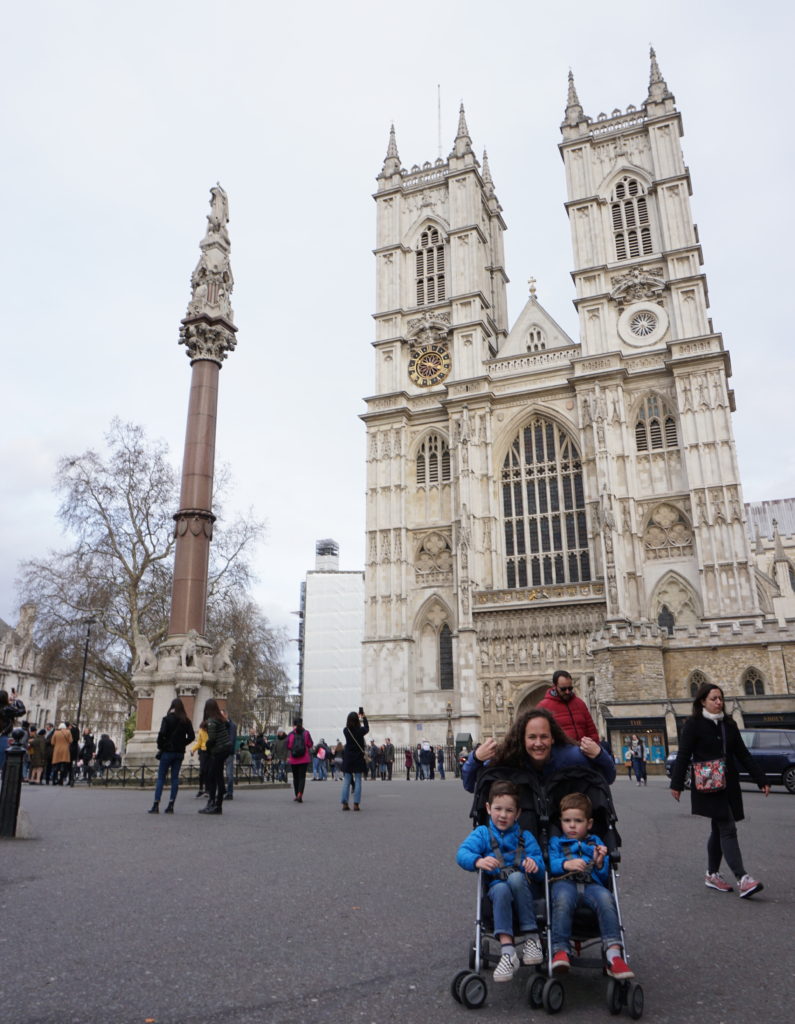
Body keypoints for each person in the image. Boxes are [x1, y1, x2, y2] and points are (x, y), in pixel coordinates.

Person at [670, 682, 769, 897]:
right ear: (702, 701)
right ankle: (743, 878)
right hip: (708, 784)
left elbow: (743, 754)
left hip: (728, 784)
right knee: (727, 827)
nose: (718, 702)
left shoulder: (729, 724)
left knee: (719, 828)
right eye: (714, 698)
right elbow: (684, 755)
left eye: (720, 698)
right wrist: (676, 784)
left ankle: (712, 874)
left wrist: (761, 779)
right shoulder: (693, 725)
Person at [456, 780, 545, 983]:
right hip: (498, 888)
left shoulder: (526, 837)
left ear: (518, 813)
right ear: (488, 808)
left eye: (509, 810)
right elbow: (462, 853)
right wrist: (478, 860)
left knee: (515, 878)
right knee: (502, 889)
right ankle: (508, 951)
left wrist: (535, 865)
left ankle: (532, 937)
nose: (503, 815)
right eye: (498, 809)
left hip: (523, 888)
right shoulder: (482, 834)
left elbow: (540, 867)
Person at [548, 793, 634, 979]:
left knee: (606, 898)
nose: (572, 825)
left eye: (578, 821)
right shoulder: (556, 842)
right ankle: (560, 949)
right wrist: (565, 864)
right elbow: (551, 865)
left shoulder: (596, 843)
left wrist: (600, 862)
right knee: (562, 899)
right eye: (567, 820)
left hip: (591, 884)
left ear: (589, 823)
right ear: (561, 822)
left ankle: (614, 953)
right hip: (565, 882)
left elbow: (602, 877)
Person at [462, 708, 616, 794]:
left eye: (544, 737)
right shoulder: (510, 758)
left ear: (553, 738)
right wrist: (475, 758)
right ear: (522, 739)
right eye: (532, 737)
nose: (538, 743)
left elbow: (607, 778)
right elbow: (471, 786)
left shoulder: (570, 756)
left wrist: (600, 755)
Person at [148, 697, 195, 814]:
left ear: (172, 707)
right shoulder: (186, 721)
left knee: (161, 778)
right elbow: (192, 736)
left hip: (167, 752)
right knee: (174, 778)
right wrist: (182, 744)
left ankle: (156, 804)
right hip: (179, 753)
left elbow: (161, 734)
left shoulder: (167, 719)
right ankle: (171, 804)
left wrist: (161, 746)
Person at [537, 671, 599, 743]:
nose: (567, 692)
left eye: (570, 688)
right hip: (560, 751)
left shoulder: (579, 703)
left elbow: (592, 730)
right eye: (563, 689)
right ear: (555, 686)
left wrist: (594, 745)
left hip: (584, 749)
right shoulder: (543, 707)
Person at [199, 699, 232, 815]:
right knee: (218, 775)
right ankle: (218, 803)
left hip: (219, 750)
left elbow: (212, 739)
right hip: (225, 748)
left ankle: (213, 803)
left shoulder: (212, 721)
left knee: (211, 776)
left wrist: (207, 747)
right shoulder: (220, 719)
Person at [340, 710, 369, 811]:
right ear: (357, 720)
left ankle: (344, 803)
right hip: (358, 758)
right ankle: (356, 804)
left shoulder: (345, 730)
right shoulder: (360, 731)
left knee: (346, 781)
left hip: (348, 757)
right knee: (358, 781)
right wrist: (364, 717)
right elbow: (367, 728)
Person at [0, 689, 26, 775]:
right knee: (4, 763)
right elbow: (22, 711)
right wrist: (16, 700)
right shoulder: (6, 709)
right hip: (3, 736)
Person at [287, 717, 313, 803]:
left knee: (295, 777)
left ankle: (296, 794)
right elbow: (310, 744)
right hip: (304, 758)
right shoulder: (306, 733)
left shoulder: (291, 734)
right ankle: (300, 794)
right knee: (302, 777)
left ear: (293, 724)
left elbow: (289, 746)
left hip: (294, 759)